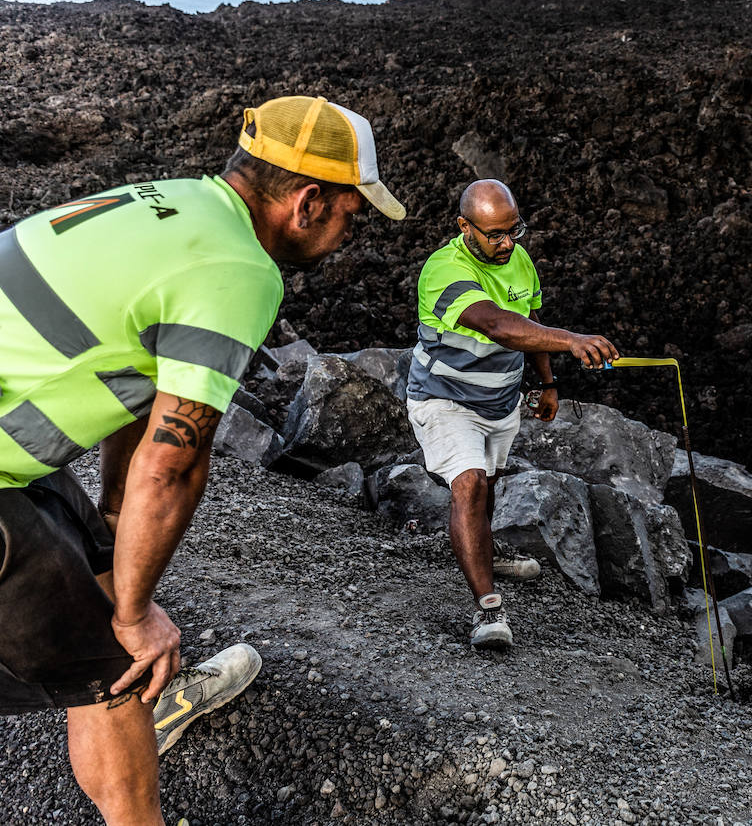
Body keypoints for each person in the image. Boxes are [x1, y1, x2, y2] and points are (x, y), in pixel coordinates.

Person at [0, 95, 406, 825]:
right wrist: (133, 615)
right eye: (353, 211)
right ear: (309, 202)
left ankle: (132, 704)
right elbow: (175, 464)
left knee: (106, 566)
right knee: (116, 666)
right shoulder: (239, 270)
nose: (353, 231)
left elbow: (150, 383)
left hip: (12, 453)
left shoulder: (178, 202)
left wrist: (121, 528)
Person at [406, 179, 618, 649]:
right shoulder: (443, 270)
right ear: (465, 227)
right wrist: (573, 341)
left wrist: (548, 383)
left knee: (491, 482)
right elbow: (499, 325)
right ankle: (487, 610)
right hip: (445, 399)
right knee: (469, 483)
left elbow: (530, 322)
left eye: (513, 230)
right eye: (495, 234)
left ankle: (485, 551)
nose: (507, 243)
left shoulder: (517, 258)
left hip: (500, 402)